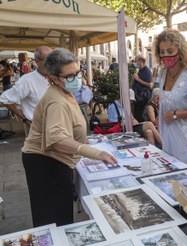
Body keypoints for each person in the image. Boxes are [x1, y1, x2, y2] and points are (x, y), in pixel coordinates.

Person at [22, 48, 118, 227]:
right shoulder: (56, 101)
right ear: (53, 79)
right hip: (46, 163)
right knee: (54, 220)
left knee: (60, 213)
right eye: (69, 76)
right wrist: (95, 153)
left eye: (78, 73)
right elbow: (57, 140)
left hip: (55, 161)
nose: (77, 79)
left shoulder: (65, 92)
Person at [153, 29, 187, 164]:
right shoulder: (162, 74)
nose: (166, 56)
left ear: (180, 50)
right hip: (166, 137)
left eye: (170, 51)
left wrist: (176, 114)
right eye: (162, 52)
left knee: (186, 181)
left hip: (186, 140)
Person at [0, 46, 52, 125]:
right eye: (48, 60)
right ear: (37, 61)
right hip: (40, 127)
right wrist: (24, 119)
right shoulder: (27, 80)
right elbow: (5, 99)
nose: (52, 63)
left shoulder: (57, 77)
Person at [131, 55, 153, 122]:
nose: (135, 63)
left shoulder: (147, 71)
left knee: (140, 116)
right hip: (137, 97)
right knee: (137, 115)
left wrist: (138, 79)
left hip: (142, 98)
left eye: (136, 61)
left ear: (141, 61)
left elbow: (149, 85)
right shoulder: (139, 70)